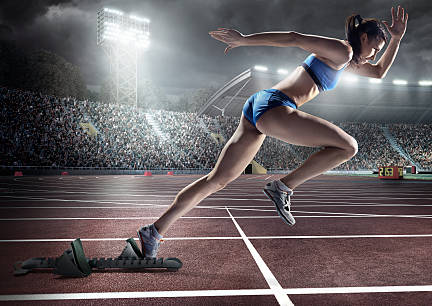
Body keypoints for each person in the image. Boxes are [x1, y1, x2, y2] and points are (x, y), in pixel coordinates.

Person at [137, 6, 409, 257]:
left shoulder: (348, 62)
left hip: (259, 107)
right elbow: (294, 37)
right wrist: (245, 40)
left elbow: (379, 73)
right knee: (348, 147)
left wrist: (395, 39)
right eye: (376, 47)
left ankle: (155, 230)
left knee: (216, 181)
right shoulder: (343, 51)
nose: (374, 54)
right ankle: (283, 186)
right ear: (364, 37)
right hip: (276, 106)